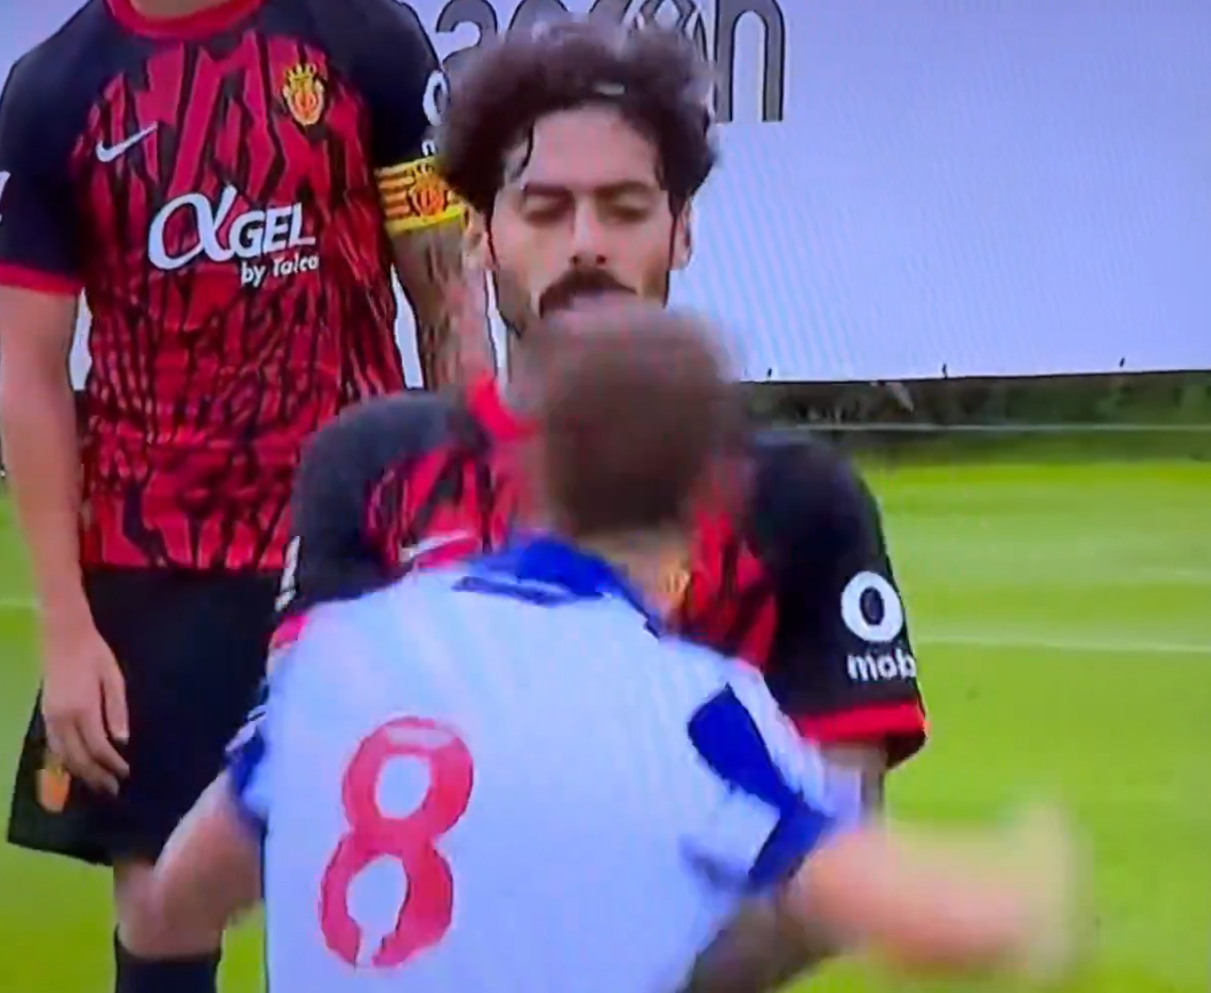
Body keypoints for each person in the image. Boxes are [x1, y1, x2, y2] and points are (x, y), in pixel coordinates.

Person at [143, 303, 1077, 992]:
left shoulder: (339, 656)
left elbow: (174, 904)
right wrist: (1027, 890)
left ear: (524, 464)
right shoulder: (696, 709)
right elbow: (891, 902)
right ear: (713, 490)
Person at [275, 22, 925, 991]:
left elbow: (844, 833)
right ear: (479, 234)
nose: (584, 245)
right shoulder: (368, 466)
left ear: (681, 230)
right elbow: (302, 767)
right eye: (544, 209)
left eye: (623, 209)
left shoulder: (800, 501)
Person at [0, 0, 491, 991]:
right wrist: (67, 628)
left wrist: (469, 549)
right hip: (151, 562)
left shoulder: (365, 41)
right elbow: (27, 364)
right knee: (161, 918)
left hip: (349, 554)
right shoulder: (58, 87)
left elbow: (446, 300)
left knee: (358, 913)